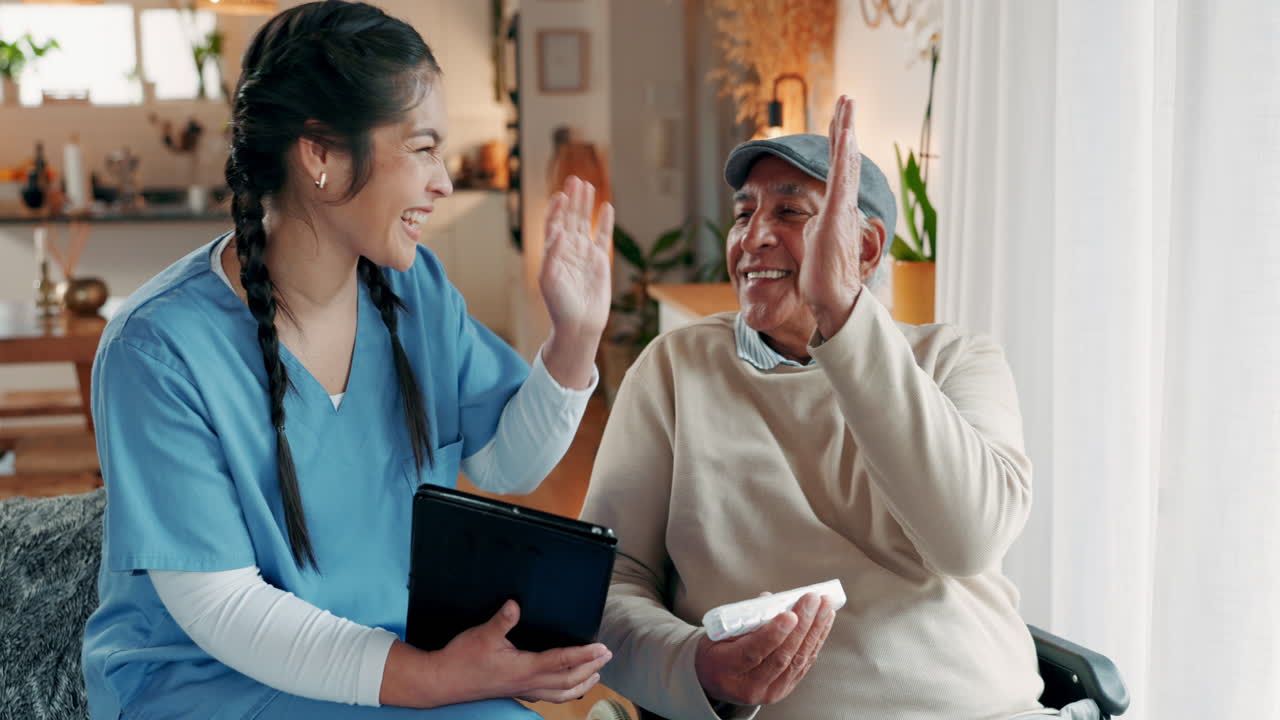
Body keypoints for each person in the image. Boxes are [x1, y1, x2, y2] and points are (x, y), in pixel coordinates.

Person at [81, 2, 615, 718]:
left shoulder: (413, 289)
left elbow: (503, 466)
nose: (444, 182)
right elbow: (222, 607)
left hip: (390, 654)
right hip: (214, 684)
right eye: (423, 148)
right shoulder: (158, 349)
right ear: (321, 154)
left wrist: (574, 339)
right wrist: (440, 679)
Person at [579, 96, 1047, 719]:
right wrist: (695, 664)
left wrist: (844, 320)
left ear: (866, 247)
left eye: (790, 211)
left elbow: (968, 542)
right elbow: (608, 580)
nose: (753, 236)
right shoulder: (675, 369)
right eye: (744, 213)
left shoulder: (957, 360)